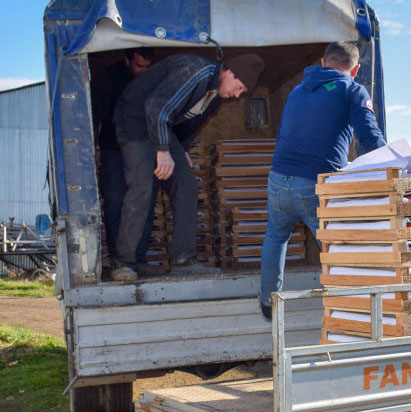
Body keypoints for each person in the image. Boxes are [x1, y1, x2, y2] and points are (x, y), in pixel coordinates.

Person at [259, 41, 386, 319]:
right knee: (333, 245)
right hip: (315, 183)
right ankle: (348, 306)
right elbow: (369, 137)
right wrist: (395, 166)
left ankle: (268, 304)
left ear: (323, 62)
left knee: (276, 236)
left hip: (278, 177)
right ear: (356, 69)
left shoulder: (297, 91)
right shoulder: (352, 90)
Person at [112, 52, 265, 281]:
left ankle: (183, 261)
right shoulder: (196, 73)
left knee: (186, 186)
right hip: (135, 120)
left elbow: (187, 123)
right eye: (239, 87)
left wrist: (181, 149)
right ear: (230, 72)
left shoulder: (214, 96)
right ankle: (123, 262)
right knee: (142, 188)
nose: (236, 95)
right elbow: (156, 106)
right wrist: (163, 150)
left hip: (162, 128)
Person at [91, 48, 162, 277]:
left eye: (148, 67)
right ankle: (119, 261)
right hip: (113, 148)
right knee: (115, 201)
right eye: (139, 66)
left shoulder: (153, 79)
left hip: (144, 148)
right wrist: (93, 146)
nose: (144, 71)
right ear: (126, 60)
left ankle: (137, 258)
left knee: (145, 201)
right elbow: (94, 114)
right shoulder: (107, 79)